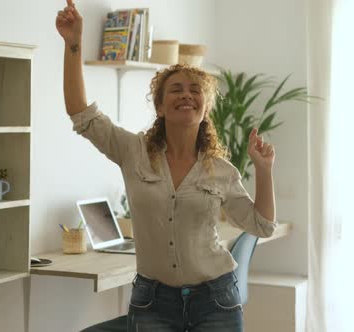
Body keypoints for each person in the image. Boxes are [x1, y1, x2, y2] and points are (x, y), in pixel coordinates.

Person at [56, 1, 277, 331]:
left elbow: (262, 226)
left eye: (194, 90)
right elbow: (80, 113)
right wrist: (73, 43)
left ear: (204, 109)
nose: (186, 95)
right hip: (152, 301)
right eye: (175, 89)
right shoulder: (133, 151)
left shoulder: (220, 171)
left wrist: (264, 169)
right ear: (160, 106)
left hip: (215, 300)